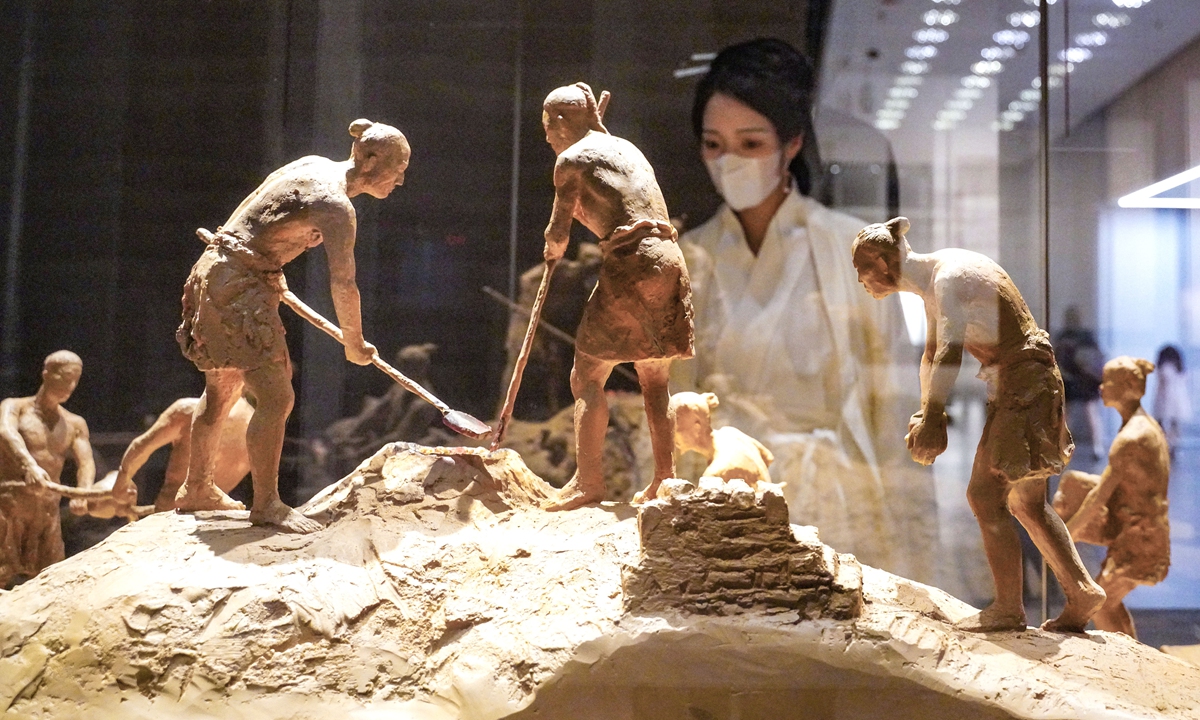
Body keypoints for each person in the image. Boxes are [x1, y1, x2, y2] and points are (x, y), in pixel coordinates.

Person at [673, 38, 935, 579]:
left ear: (791, 143)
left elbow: (893, 401)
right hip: (718, 482)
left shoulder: (849, 249)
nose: (729, 162)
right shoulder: (687, 258)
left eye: (750, 143)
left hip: (828, 491)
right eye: (713, 144)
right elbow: (674, 399)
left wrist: (913, 528)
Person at [852, 216, 1105, 633]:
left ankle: (1008, 607)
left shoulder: (947, 279)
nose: (862, 280)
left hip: (1024, 385)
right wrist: (925, 411)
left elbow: (949, 352)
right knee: (1027, 503)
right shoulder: (936, 279)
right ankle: (1080, 590)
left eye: (861, 269)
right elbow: (932, 353)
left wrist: (935, 417)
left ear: (881, 262)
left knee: (985, 496)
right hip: (1024, 382)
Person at [161, 119, 410, 533]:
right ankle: (267, 504)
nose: (400, 181)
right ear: (368, 159)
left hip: (219, 272)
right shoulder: (335, 205)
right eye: (397, 169)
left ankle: (198, 487)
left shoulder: (313, 164)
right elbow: (343, 282)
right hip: (238, 286)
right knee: (276, 399)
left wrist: (264, 270)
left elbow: (255, 225)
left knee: (222, 386)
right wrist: (354, 342)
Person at [537, 83, 694, 511]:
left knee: (586, 375)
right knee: (654, 378)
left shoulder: (570, 161)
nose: (548, 136)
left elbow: (558, 235)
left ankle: (588, 482)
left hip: (632, 261)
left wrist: (551, 249)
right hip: (669, 258)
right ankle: (665, 478)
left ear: (564, 122)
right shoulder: (625, 147)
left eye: (549, 127)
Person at [1054, 356, 1170, 638]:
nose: (1102, 388)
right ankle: (1135, 658)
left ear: (1128, 386)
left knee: (1102, 603)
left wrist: (1065, 535)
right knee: (1107, 601)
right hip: (1135, 532)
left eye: (1108, 382)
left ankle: (1133, 664)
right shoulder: (1141, 425)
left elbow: (1099, 496)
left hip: (1141, 540)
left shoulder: (1132, 438)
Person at [0, 351, 102, 587]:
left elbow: (85, 461)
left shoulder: (74, 423)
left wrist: (83, 493)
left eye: (76, 379)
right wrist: (29, 466)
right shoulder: (15, 407)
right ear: (47, 373)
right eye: (66, 377)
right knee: (4, 568)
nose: (71, 385)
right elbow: (6, 432)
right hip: (10, 505)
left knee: (48, 577)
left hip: (47, 511)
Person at [101, 394, 254, 515]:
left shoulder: (188, 410)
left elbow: (141, 447)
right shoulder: (259, 427)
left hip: (173, 514)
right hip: (215, 518)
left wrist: (122, 481)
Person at [1055, 306, 1106, 459]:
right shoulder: (1079, 336)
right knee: (1072, 415)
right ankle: (1094, 447)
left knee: (1086, 414)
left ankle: (1095, 446)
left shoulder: (1069, 337)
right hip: (1078, 379)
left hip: (1080, 379)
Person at [1153, 344, 1191, 453]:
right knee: (1174, 426)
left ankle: (1165, 445)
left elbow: (1165, 384)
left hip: (1165, 401)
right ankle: (1172, 444)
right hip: (1178, 402)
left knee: (1161, 425)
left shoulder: (1165, 368)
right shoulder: (1180, 369)